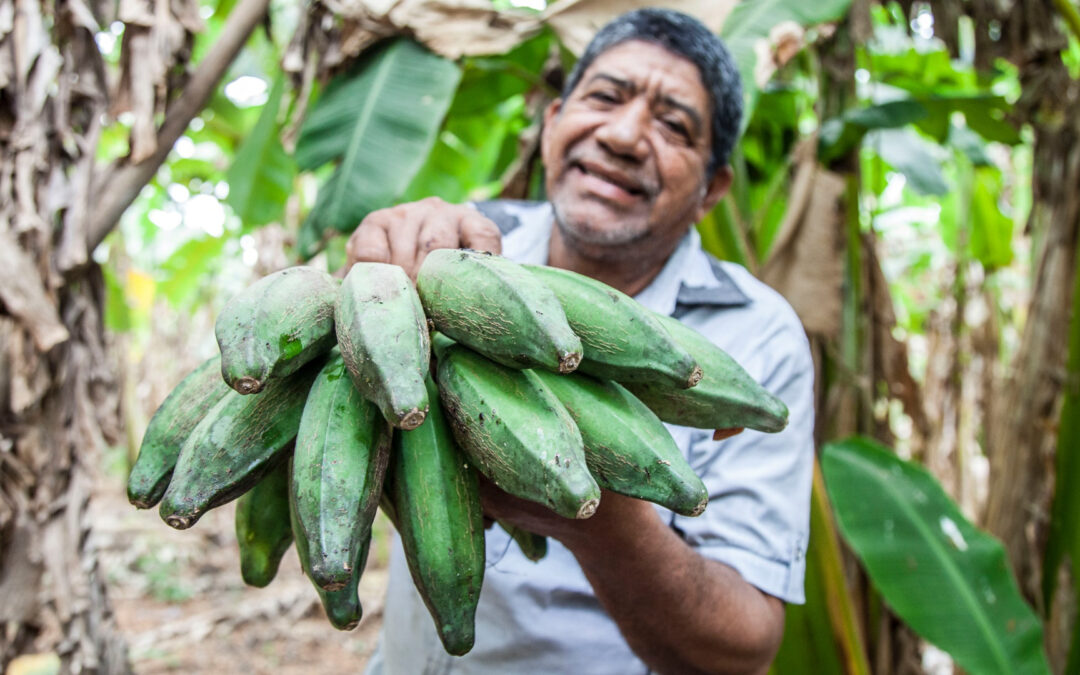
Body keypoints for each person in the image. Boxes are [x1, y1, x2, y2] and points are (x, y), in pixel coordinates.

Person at [350, 9, 815, 674]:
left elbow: (742, 649)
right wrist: (370, 287)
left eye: (674, 125)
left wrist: (594, 518)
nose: (624, 135)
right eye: (605, 97)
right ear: (552, 123)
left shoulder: (755, 336)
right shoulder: (461, 244)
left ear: (712, 188)